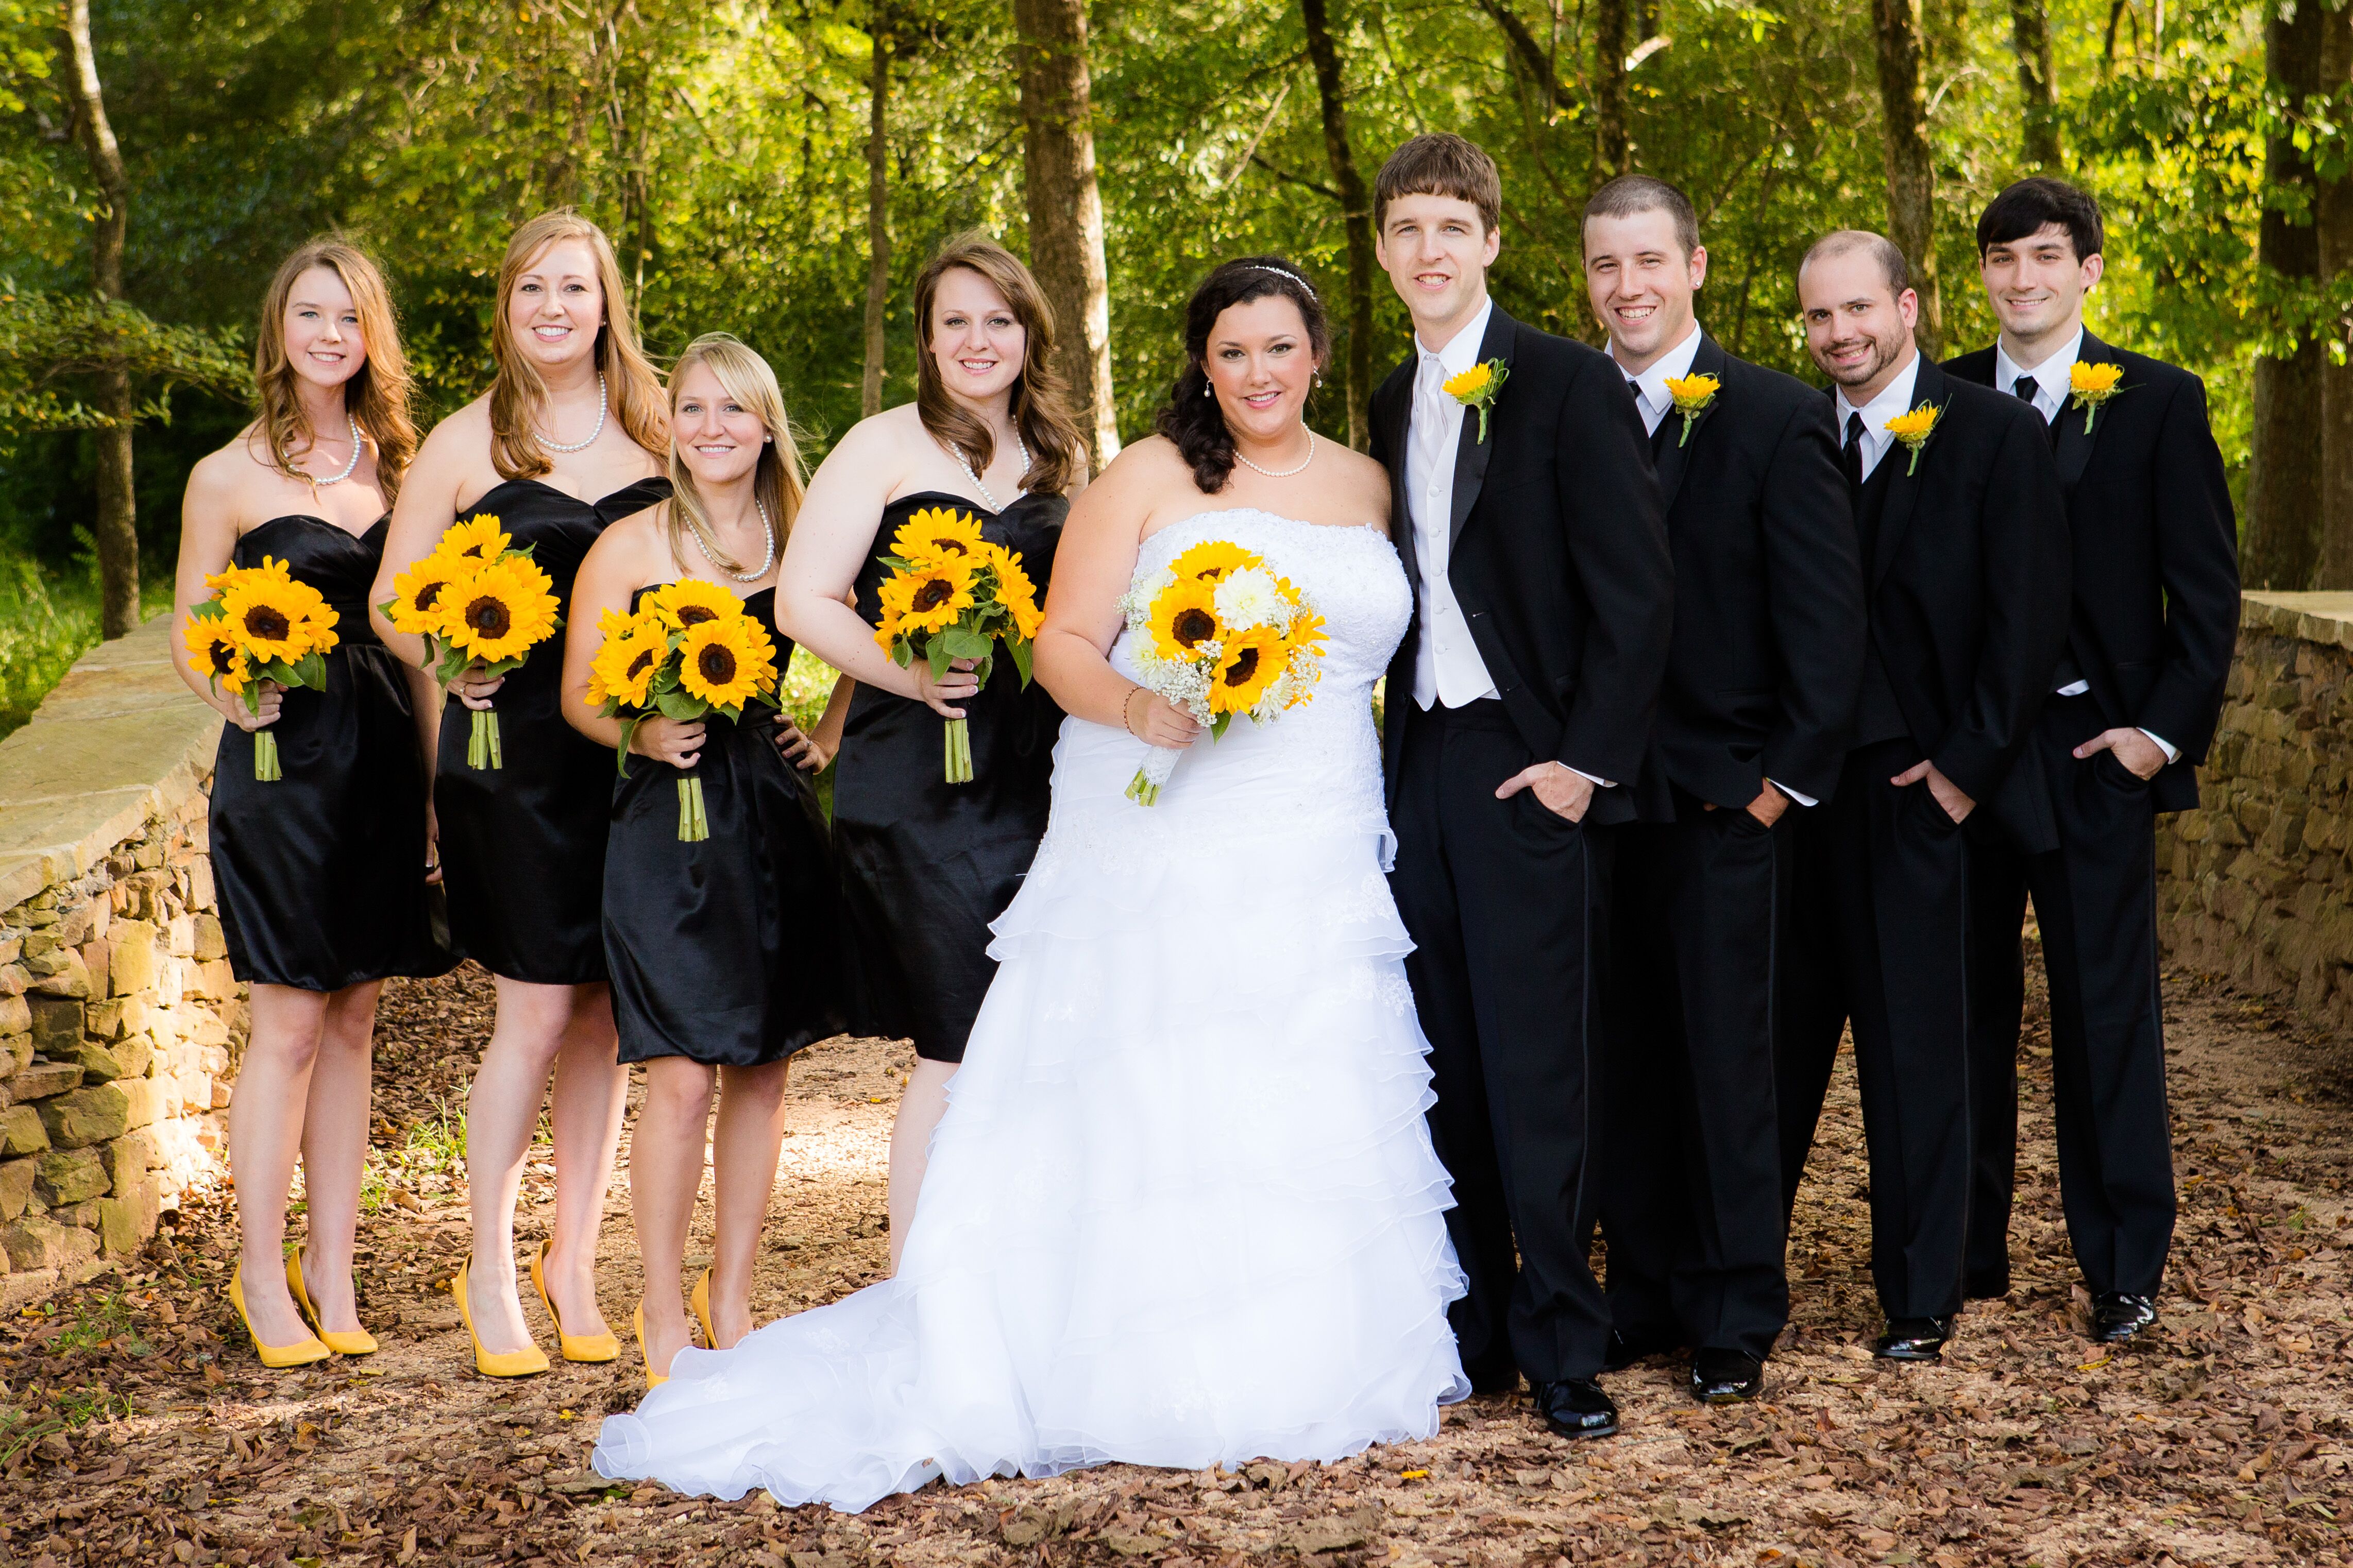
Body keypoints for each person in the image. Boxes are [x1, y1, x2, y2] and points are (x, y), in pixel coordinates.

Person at [591, 256, 1467, 1508]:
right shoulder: (1143, 475)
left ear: (1318, 355)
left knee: (1299, 1064)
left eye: (1280, 349)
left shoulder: (1362, 481)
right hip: (1137, 805)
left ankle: (1295, 1332)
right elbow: (1060, 639)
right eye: (1232, 352)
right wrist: (1135, 704)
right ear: (1201, 366)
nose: (1258, 373)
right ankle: (990, 1312)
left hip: (1317, 825)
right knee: (1066, 1056)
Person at [1368, 133, 1673, 1441]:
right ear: (1383, 252)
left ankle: (1564, 1343)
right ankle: (1481, 1326)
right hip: (1421, 762)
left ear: (1491, 240)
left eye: (1452, 226)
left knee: (1541, 1059)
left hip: (1526, 761)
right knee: (1448, 1055)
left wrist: (1585, 763)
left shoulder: (1561, 380)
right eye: (1407, 230)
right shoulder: (1385, 396)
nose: (1430, 251)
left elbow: (1639, 593)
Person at [1581, 176, 1864, 1404]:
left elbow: (1825, 624)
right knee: (1619, 1058)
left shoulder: (1775, 414)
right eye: (1605, 266)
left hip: (1724, 803)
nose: (1628, 287)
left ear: (1693, 268)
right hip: (1595, 803)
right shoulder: (1557, 406)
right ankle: (1637, 1294)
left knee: (1727, 1061)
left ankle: (1734, 1309)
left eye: (1649, 261)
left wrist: (1777, 788)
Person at [372, 211, 670, 1377]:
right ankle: (489, 1269)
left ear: (607, 306)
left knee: (604, 1017)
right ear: (508, 305)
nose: (554, 307)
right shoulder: (465, 442)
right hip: (508, 758)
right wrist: (454, 655)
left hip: (630, 752)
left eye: (576, 288)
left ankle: (573, 1263)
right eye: (533, 287)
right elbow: (394, 601)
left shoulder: (655, 431)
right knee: (537, 1013)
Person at [1946, 178, 2239, 1343]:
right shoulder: (1944, 395)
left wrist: (2151, 737)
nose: (2022, 279)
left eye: (2044, 258)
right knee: (1958, 1014)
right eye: (2001, 260)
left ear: (2089, 270)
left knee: (2103, 1014)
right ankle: (1962, 1254)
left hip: (2091, 756)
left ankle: (2123, 1264)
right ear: (1979, 276)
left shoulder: (2160, 402)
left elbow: (2205, 595)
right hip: (1965, 760)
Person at [1776, 230, 2071, 1364]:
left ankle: (1921, 1290)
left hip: (1924, 789)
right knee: (1781, 1037)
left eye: (1858, 310)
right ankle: (1743, 1267)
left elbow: (2028, 614)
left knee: (1920, 1045)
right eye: (1818, 318)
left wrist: (1963, 771)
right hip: (1804, 796)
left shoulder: (1993, 431)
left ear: (1906, 305)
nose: (1840, 334)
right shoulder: (1790, 430)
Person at [774, 232, 1084, 1263]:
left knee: (1032, 1040)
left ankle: (1009, 1266)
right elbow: (800, 598)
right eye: (954, 320)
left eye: (997, 319)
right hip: (915, 778)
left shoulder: (1055, 455)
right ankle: (920, 1289)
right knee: (959, 1042)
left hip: (1035, 774)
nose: (976, 339)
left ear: (1028, 332)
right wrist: (909, 674)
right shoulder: (883, 445)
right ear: (927, 338)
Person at [174, 238, 452, 1367]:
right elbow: (193, 631)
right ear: (277, 331)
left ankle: (333, 1273)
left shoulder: (402, 465)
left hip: (385, 757)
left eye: (350, 316)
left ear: (371, 335)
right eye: (310, 314)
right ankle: (260, 1276)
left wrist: (439, 794)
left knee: (356, 1018)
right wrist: (231, 698)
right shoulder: (225, 475)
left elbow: (426, 645)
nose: (330, 334)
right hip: (284, 762)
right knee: (287, 1021)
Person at [562, 333, 845, 1387]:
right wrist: (637, 734)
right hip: (664, 825)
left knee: (762, 1067)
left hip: (770, 816)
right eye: (692, 409)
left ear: (766, 424)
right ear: (670, 424)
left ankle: (733, 1291)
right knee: (679, 1075)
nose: (712, 428)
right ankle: (656, 1301)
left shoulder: (805, 534)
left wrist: (833, 734)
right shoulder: (631, 546)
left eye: (733, 410)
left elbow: (879, 627)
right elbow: (579, 695)